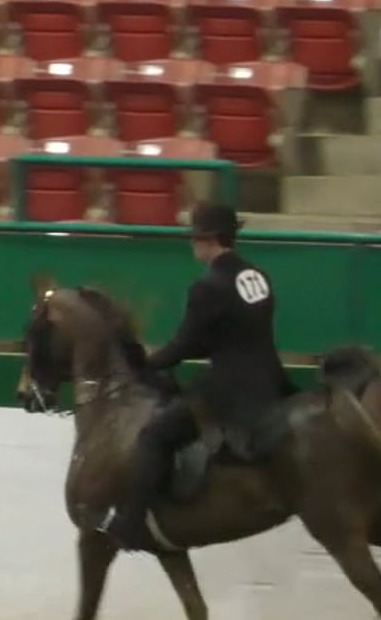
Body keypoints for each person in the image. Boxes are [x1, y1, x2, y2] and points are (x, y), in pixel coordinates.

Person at [102, 201, 290, 553]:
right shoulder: (257, 277)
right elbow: (232, 335)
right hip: (271, 380)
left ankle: (133, 522)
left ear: (209, 239)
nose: (191, 243)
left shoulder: (208, 286)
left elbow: (184, 345)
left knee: (155, 435)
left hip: (230, 389)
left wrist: (146, 364)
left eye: (195, 237)